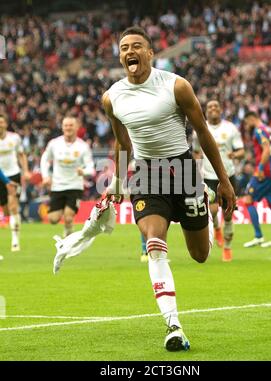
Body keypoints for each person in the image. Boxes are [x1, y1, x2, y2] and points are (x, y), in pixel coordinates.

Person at [102, 26, 236, 352]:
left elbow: (203, 132)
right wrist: (118, 181)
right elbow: (122, 143)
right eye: (124, 48)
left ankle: (195, 212)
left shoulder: (176, 86)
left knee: (200, 254)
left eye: (137, 46)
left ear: (150, 53)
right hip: (147, 174)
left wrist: (222, 181)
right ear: (121, 56)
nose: (129, 51)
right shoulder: (112, 97)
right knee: (154, 243)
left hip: (185, 171)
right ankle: (173, 325)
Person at [193, 100, 244, 261]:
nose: (213, 108)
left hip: (228, 175)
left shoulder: (230, 129)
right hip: (208, 176)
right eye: (210, 107)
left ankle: (227, 248)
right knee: (212, 211)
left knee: (228, 214)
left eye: (216, 106)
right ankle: (216, 228)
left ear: (221, 109)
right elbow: (195, 152)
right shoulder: (199, 129)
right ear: (206, 111)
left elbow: (241, 150)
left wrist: (235, 155)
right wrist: (197, 168)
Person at [40, 116, 95, 237]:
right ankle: (67, 228)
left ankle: (67, 239)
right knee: (53, 219)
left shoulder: (83, 146)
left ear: (76, 127)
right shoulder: (54, 144)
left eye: (71, 125)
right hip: (57, 186)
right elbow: (45, 159)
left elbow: (91, 168)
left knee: (68, 217)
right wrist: (45, 176)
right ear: (62, 127)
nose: (68, 128)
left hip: (75, 186)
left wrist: (83, 172)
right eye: (66, 125)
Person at [243, 112, 271, 248]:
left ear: (252, 118)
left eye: (247, 122)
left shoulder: (259, 131)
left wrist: (259, 168)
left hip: (263, 172)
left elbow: (265, 150)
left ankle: (258, 236)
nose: (247, 126)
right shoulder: (270, 129)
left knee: (248, 199)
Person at [0, 114, 30, 251]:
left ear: (6, 124)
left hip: (13, 175)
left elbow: (21, 154)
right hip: (1, 177)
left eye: (1, 122)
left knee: (13, 207)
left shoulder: (15, 138)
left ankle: (15, 241)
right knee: (6, 211)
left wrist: (26, 171)